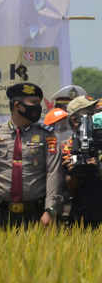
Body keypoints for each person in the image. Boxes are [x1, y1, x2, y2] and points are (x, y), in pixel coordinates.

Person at [0, 82, 63, 227]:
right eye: (34, 103)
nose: (38, 107)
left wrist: (50, 209)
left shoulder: (47, 135)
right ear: (18, 105)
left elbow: (53, 173)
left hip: (36, 212)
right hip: (1, 212)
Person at [58, 96, 102, 227]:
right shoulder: (67, 147)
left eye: (94, 112)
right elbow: (65, 187)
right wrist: (73, 172)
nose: (94, 116)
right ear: (74, 120)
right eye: (89, 113)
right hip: (82, 212)